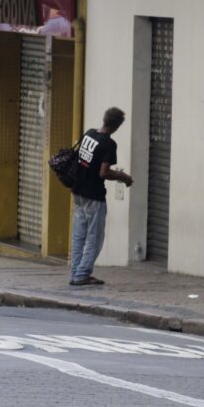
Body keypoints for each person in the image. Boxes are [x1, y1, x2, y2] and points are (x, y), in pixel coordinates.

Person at [69, 107, 133, 286]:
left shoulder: (89, 134)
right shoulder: (108, 144)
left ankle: (75, 272)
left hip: (78, 191)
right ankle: (82, 274)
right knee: (94, 237)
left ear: (104, 119)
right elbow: (103, 173)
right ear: (117, 126)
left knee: (78, 236)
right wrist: (123, 177)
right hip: (94, 196)